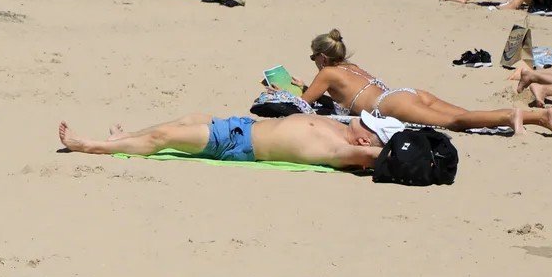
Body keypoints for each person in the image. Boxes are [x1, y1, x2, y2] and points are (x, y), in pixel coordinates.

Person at [298, 29, 552, 136]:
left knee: (456, 123)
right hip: (406, 93)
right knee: (466, 116)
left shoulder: (326, 73)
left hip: (389, 104)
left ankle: (512, 116)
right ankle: (542, 117)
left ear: (322, 57)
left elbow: (302, 104)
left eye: (313, 57)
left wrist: (287, 89)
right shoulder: (351, 68)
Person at [57, 113, 383, 171]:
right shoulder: (339, 127)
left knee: (165, 138)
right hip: (242, 126)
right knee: (186, 119)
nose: (360, 119)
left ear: (365, 138)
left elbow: (368, 156)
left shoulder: (342, 148)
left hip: (237, 144)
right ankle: (125, 137)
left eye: (364, 124)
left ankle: (91, 145)